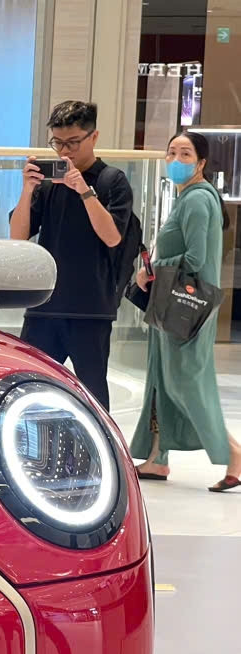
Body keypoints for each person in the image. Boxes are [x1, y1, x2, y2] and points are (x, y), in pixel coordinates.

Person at [130, 131, 241, 493]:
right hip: (173, 302)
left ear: (201, 163)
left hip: (186, 308)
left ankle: (234, 453)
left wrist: (152, 268)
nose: (176, 160)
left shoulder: (196, 201)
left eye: (185, 154)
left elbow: (195, 259)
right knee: (162, 378)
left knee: (185, 383)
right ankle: (157, 457)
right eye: (172, 152)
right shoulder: (187, 198)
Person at [10, 100, 133, 411]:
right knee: (29, 389)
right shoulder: (49, 185)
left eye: (73, 142)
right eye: (58, 142)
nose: (65, 151)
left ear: (94, 137)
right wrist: (27, 190)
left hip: (90, 310)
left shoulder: (112, 181)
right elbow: (18, 236)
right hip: (43, 307)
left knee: (93, 395)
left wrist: (85, 191)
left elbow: (112, 237)